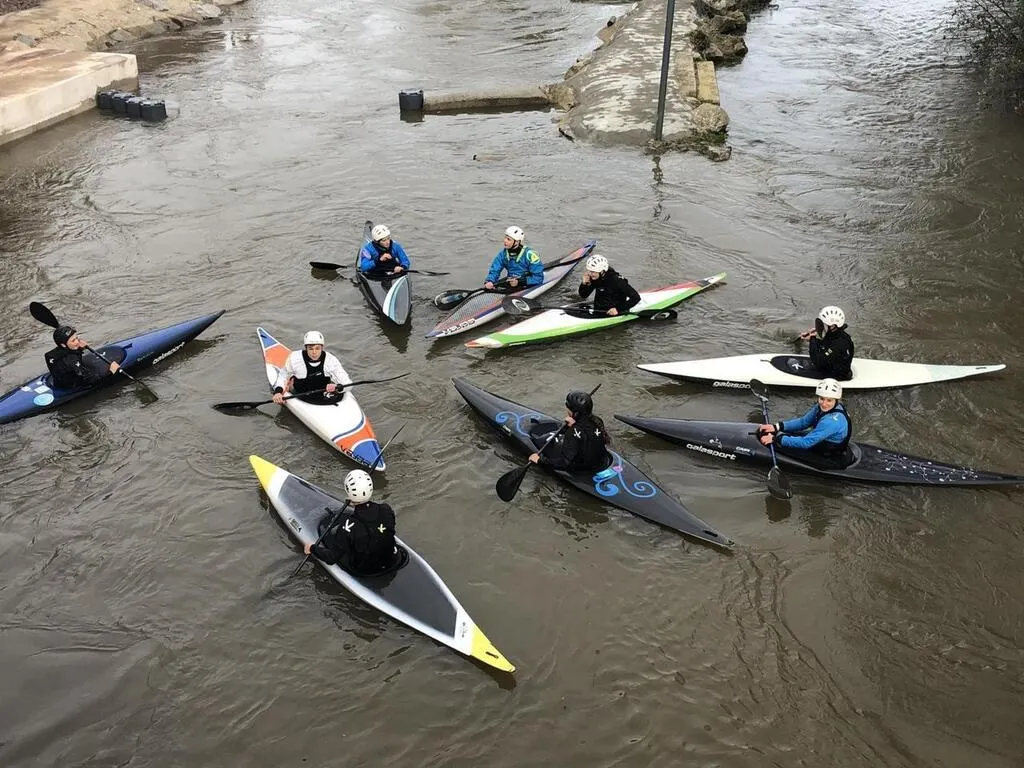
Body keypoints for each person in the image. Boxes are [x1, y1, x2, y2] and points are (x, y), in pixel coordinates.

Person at [303, 470, 399, 576]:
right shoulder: (386, 509)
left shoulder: (347, 526)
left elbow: (331, 559)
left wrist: (312, 548)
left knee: (333, 540)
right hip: (392, 560)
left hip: (366, 570)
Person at [757, 378, 853, 468]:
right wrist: (777, 427)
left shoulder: (831, 422)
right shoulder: (820, 407)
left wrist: (775, 439)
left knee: (780, 445)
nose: (824, 404)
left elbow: (806, 443)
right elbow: (803, 422)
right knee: (786, 435)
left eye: (829, 400)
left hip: (828, 453)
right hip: (823, 441)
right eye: (822, 398)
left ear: (836, 400)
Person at [528, 390, 612, 474]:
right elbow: (586, 432)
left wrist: (540, 460)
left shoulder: (572, 432)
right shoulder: (597, 421)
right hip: (598, 462)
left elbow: (564, 463)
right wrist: (574, 423)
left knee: (554, 448)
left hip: (581, 468)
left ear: (575, 412)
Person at [271, 331, 352, 406]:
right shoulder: (294, 358)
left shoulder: (331, 360)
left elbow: (348, 383)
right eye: (310, 348)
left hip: (323, 394)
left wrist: (337, 387)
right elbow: (283, 376)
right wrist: (278, 392)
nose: (314, 352)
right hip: (300, 394)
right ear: (306, 348)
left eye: (317, 348)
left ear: (322, 348)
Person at [45, 325, 121, 390]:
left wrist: (79, 348)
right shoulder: (72, 362)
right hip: (72, 385)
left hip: (59, 381)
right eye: (73, 340)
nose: (77, 342)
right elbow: (91, 381)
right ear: (63, 345)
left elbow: (68, 355)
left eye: (77, 338)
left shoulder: (51, 354)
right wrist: (111, 373)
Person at [797, 305, 854, 380]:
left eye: (823, 324)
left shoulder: (840, 343)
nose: (820, 326)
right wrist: (815, 337)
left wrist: (812, 339)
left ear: (832, 326)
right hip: (831, 365)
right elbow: (827, 344)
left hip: (837, 375)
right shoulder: (836, 334)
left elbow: (818, 361)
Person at [577, 254, 641, 316]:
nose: (590, 274)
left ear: (602, 271)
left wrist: (618, 309)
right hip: (599, 310)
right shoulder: (595, 277)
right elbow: (583, 295)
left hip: (614, 312)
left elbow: (636, 298)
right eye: (589, 271)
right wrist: (584, 283)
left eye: (592, 272)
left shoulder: (617, 281)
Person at [484, 225, 543, 291]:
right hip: (511, 282)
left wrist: (520, 282)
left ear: (517, 242)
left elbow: (539, 278)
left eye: (508, 239)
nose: (505, 241)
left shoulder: (530, 255)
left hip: (527, 283)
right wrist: (490, 281)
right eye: (505, 238)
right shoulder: (503, 254)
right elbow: (495, 270)